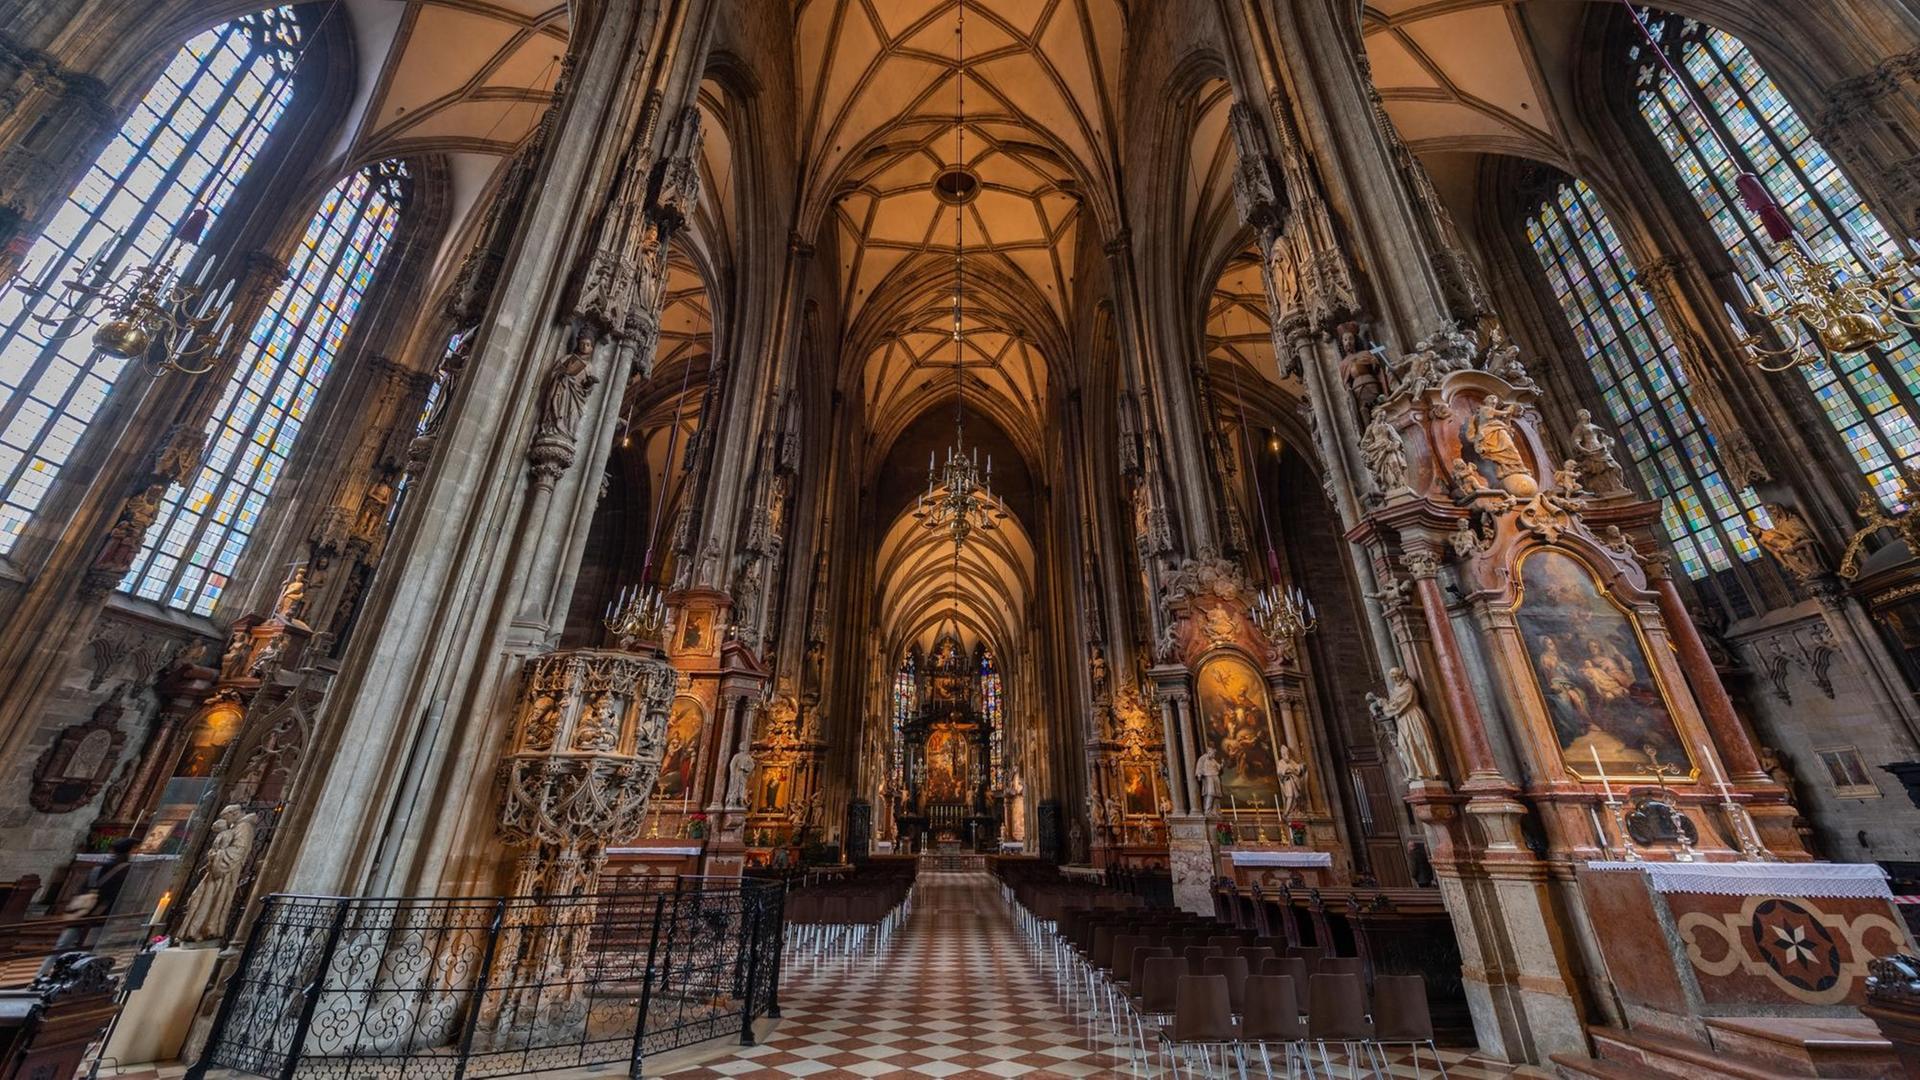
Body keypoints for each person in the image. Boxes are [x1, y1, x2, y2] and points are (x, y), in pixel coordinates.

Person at [44, 837, 136, 970]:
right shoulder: (124, 869)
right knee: (90, 948)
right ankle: (78, 974)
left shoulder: (99, 866)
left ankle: (43, 972)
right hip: (100, 914)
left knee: (62, 945)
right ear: (129, 851)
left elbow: (83, 887)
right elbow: (115, 894)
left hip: (82, 911)